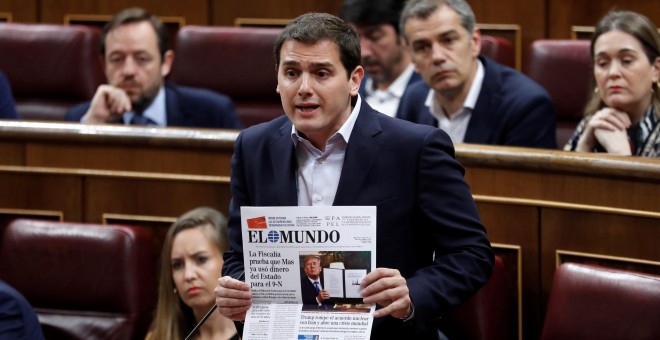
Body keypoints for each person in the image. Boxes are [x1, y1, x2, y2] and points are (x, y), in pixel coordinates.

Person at [214, 12, 493, 339]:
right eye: (291, 73)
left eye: (321, 73)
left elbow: (471, 254)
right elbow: (240, 256)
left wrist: (412, 294)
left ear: (354, 79)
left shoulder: (415, 148)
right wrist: (235, 292)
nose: (304, 88)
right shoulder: (253, 147)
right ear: (277, 79)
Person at [397, 0, 557, 148]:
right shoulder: (413, 100)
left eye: (448, 40)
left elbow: (523, 180)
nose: (437, 56)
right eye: (422, 47)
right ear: (412, 58)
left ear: (474, 42)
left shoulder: (526, 105)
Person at [65, 7, 241, 129]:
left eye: (142, 59)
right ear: (104, 65)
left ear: (166, 63)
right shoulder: (81, 119)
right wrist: (91, 127)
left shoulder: (213, 114)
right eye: (117, 59)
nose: (128, 71)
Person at [564, 11, 660, 157]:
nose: (613, 72)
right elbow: (561, 179)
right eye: (603, 63)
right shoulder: (594, 122)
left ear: (656, 70)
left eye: (627, 61)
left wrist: (620, 156)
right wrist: (583, 147)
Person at [146, 207, 238, 340]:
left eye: (201, 259)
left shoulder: (255, 335)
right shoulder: (157, 336)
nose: (188, 275)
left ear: (228, 261)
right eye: (177, 265)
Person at [339, 0, 422, 118]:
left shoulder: (430, 93)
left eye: (375, 37)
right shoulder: (347, 92)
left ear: (402, 34)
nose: (364, 52)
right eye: (355, 39)